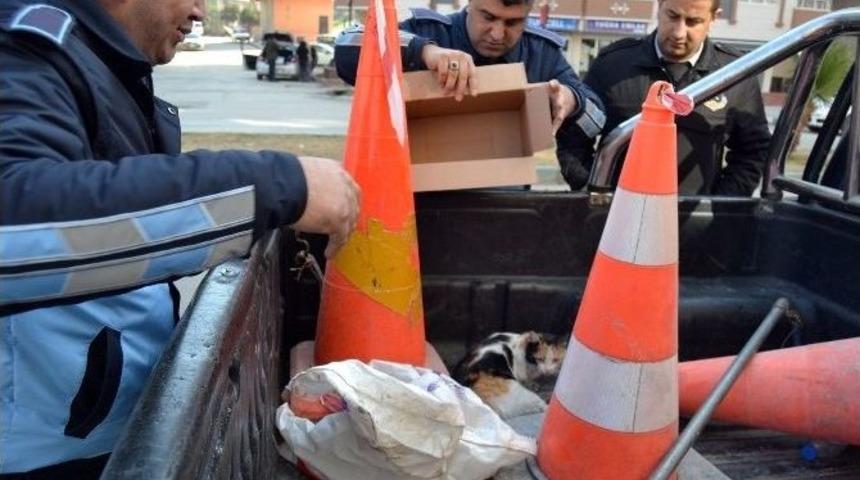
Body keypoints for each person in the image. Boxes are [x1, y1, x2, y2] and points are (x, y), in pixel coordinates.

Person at [0, 0, 359, 477]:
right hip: (40, 452)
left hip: (92, 424)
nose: (199, 13)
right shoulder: (24, 52)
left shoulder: (94, 59)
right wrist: (274, 187)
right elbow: (15, 225)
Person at [334, 0, 606, 155]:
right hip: (418, 202)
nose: (498, 34)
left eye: (513, 23)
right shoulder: (428, 30)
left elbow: (598, 120)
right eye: (488, 17)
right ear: (470, 4)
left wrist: (572, 101)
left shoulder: (541, 52)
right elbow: (346, 50)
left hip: (505, 204)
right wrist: (424, 51)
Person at [559, 0, 771, 195]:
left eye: (693, 21)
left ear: (714, 18)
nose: (679, 32)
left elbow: (753, 151)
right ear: (658, 6)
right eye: (672, 16)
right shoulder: (613, 65)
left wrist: (718, 206)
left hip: (696, 224)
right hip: (616, 217)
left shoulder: (733, 76)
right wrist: (592, 192)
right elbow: (573, 138)